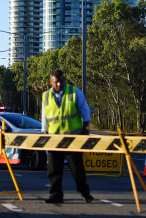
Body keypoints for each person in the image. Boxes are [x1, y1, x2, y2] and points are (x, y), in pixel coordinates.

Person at [42, 69, 94, 203]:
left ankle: (85, 193)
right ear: (50, 82)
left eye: (60, 81)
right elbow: (45, 117)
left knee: (77, 169)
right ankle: (55, 195)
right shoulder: (46, 96)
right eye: (55, 82)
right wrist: (44, 132)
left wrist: (86, 128)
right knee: (54, 170)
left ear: (63, 80)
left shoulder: (74, 92)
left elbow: (85, 110)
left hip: (72, 139)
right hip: (54, 139)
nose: (58, 84)